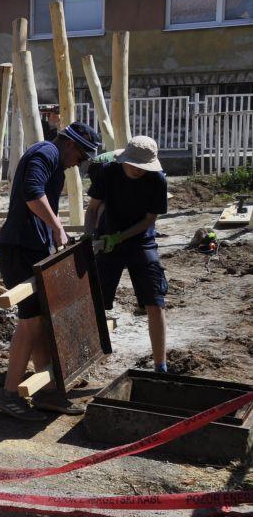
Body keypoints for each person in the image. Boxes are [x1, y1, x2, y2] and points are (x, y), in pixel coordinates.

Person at [0, 121, 100, 421]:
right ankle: (9, 394)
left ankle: (47, 392)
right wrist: (57, 227)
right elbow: (31, 194)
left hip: (33, 248)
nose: (79, 163)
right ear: (70, 144)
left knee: (40, 321)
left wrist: (52, 233)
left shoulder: (54, 159)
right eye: (81, 156)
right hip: (19, 248)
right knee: (29, 322)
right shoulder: (46, 153)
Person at [85, 136, 169, 372]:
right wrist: (90, 238)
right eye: (133, 165)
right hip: (107, 239)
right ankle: (86, 360)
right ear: (124, 160)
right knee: (95, 302)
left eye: (142, 167)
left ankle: (160, 365)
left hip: (141, 241)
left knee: (155, 302)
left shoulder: (157, 180)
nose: (137, 170)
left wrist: (120, 237)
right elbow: (92, 209)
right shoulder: (108, 172)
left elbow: (148, 220)